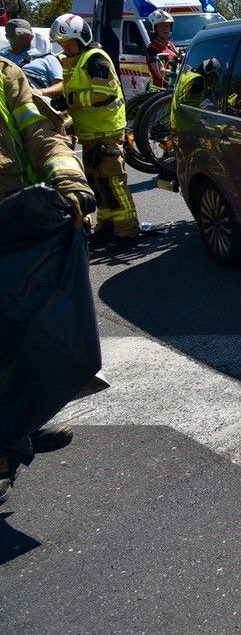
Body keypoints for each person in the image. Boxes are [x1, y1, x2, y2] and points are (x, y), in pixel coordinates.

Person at [0, 53, 96, 504]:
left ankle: (23, 420)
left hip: (18, 226)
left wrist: (70, 182)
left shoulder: (4, 73)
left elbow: (42, 132)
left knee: (29, 331)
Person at [48, 13, 140, 249]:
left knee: (113, 184)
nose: (65, 47)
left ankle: (127, 232)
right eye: (62, 44)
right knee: (98, 186)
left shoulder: (94, 59)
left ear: (82, 38)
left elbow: (103, 94)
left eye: (68, 42)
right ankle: (107, 228)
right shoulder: (74, 60)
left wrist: (69, 100)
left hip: (106, 133)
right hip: (90, 134)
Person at [4, 19, 63, 97]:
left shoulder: (48, 59)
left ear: (31, 37)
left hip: (35, 102)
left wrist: (40, 92)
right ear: (7, 36)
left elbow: (61, 86)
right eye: (11, 35)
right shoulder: (2, 57)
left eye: (21, 35)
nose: (16, 39)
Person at [144, 9, 180, 89]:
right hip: (161, 93)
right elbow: (161, 73)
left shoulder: (170, 45)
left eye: (167, 26)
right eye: (161, 26)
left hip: (174, 89)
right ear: (154, 29)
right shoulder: (153, 49)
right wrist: (180, 74)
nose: (165, 29)